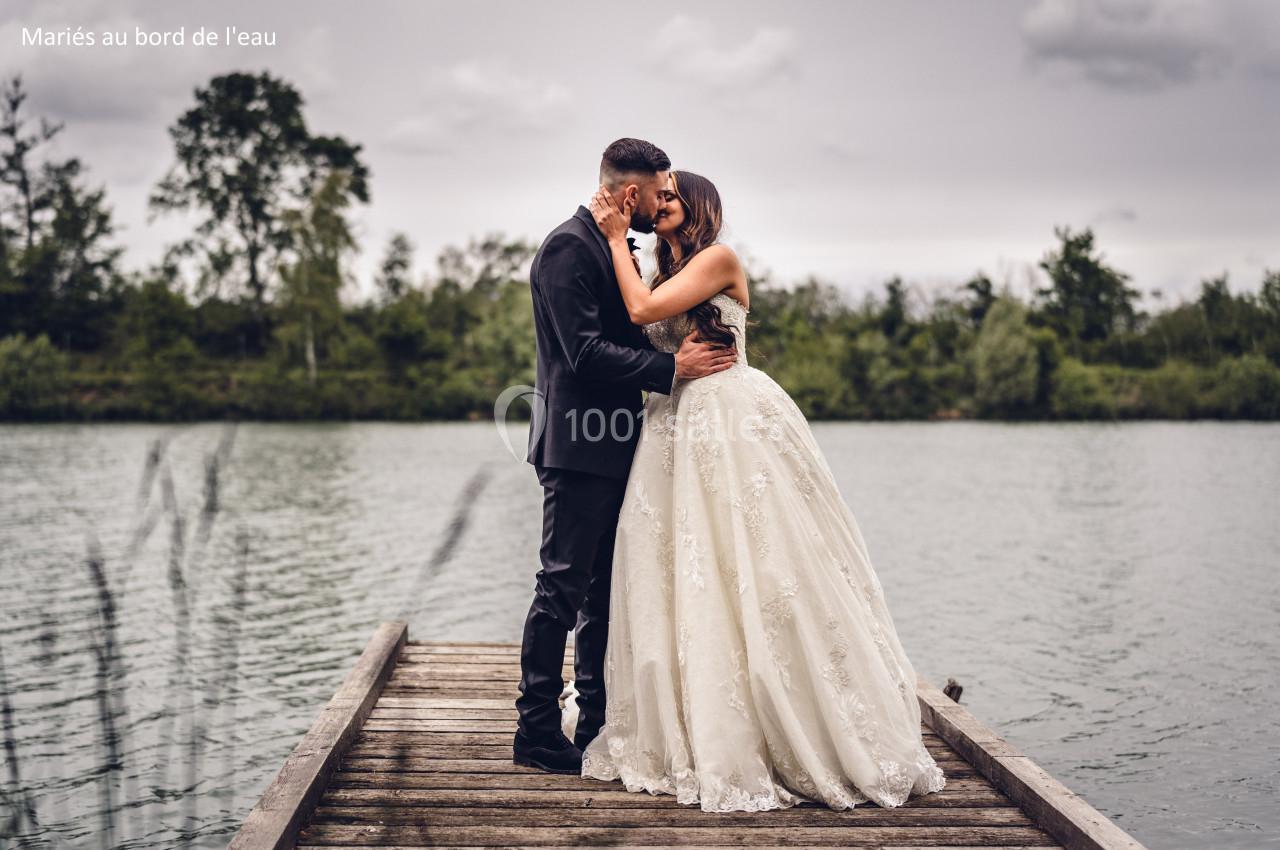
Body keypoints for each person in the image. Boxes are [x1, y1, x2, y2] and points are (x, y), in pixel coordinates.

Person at [576, 170, 948, 811]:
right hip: (673, 427)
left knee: (762, 566)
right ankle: (690, 724)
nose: (660, 205)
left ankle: (800, 726)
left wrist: (613, 237)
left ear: (697, 207)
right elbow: (638, 325)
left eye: (671, 197)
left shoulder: (719, 259)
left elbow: (640, 312)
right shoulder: (664, 274)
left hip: (731, 421)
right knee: (681, 573)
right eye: (656, 196)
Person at [516, 140, 738, 774]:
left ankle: (593, 721)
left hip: (616, 442)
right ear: (632, 193)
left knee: (602, 594)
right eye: (660, 190)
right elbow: (582, 353)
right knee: (560, 585)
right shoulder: (569, 247)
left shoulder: (612, 246)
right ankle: (533, 730)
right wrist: (671, 367)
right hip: (578, 445)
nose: (665, 201)